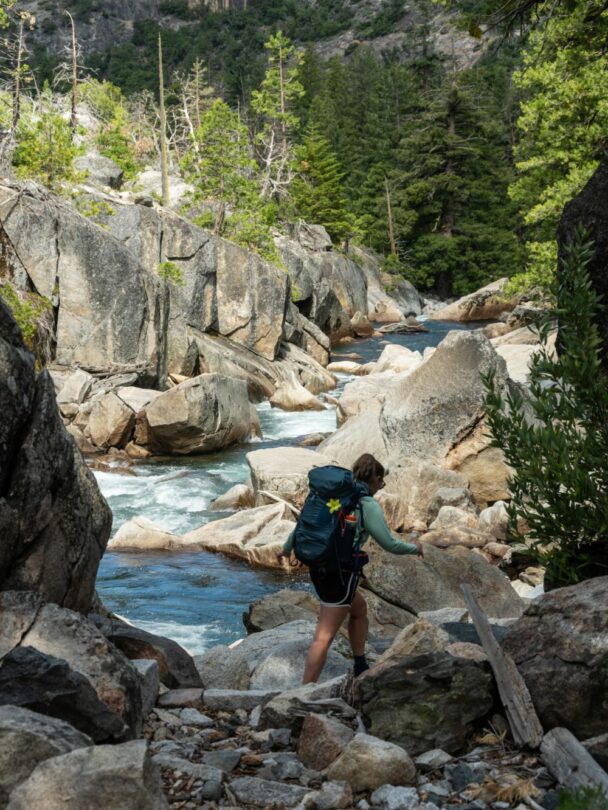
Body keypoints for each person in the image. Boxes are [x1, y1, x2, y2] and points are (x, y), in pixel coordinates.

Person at [277, 453, 423, 684]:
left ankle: (360, 663)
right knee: (323, 638)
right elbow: (389, 543)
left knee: (359, 609)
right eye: (381, 482)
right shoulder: (365, 503)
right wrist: (414, 548)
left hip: (319, 566)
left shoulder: (332, 498)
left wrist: (286, 549)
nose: (380, 487)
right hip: (340, 573)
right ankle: (304, 691)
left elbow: (304, 523)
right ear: (374, 477)